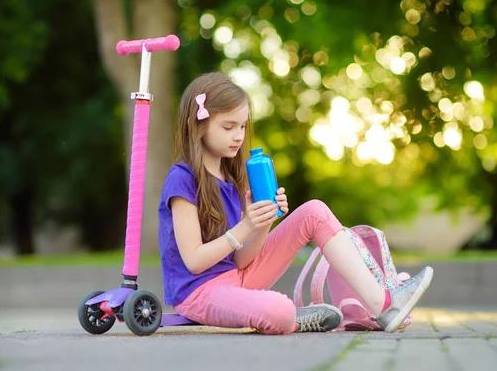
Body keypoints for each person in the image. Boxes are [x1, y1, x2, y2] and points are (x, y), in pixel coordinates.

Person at [158, 72, 433, 335]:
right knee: (279, 310)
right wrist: (246, 226)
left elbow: (241, 260)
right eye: (228, 127)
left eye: (242, 126)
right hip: (199, 292)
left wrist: (263, 222)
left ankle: (384, 305)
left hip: (236, 279)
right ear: (199, 125)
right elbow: (194, 261)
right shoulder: (182, 179)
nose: (239, 136)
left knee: (314, 211)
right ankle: (291, 318)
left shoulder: (229, 178)